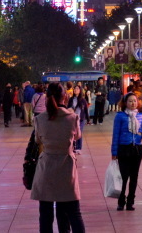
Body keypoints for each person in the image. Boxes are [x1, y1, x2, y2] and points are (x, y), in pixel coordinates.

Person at [30, 83, 85, 233]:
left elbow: (38, 140)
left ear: (47, 97)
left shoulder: (40, 119)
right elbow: (77, 136)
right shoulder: (72, 118)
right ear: (65, 96)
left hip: (46, 168)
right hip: (66, 167)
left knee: (46, 215)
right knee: (73, 213)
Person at [111, 92, 142, 211]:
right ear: (125, 103)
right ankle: (121, 201)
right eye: (130, 101)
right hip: (123, 148)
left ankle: (131, 201)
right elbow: (115, 135)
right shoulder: (120, 116)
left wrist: (141, 134)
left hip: (136, 149)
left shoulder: (141, 116)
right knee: (123, 176)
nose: (133, 103)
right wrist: (114, 152)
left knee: (134, 176)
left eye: (135, 101)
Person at [68, 85, 90, 153]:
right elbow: (68, 108)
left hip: (80, 119)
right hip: (72, 118)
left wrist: (88, 119)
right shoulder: (71, 99)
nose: (75, 90)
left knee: (79, 132)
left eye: (77, 89)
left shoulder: (83, 100)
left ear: (80, 90)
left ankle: (78, 147)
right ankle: (73, 146)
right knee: (73, 133)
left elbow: (86, 109)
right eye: (74, 88)